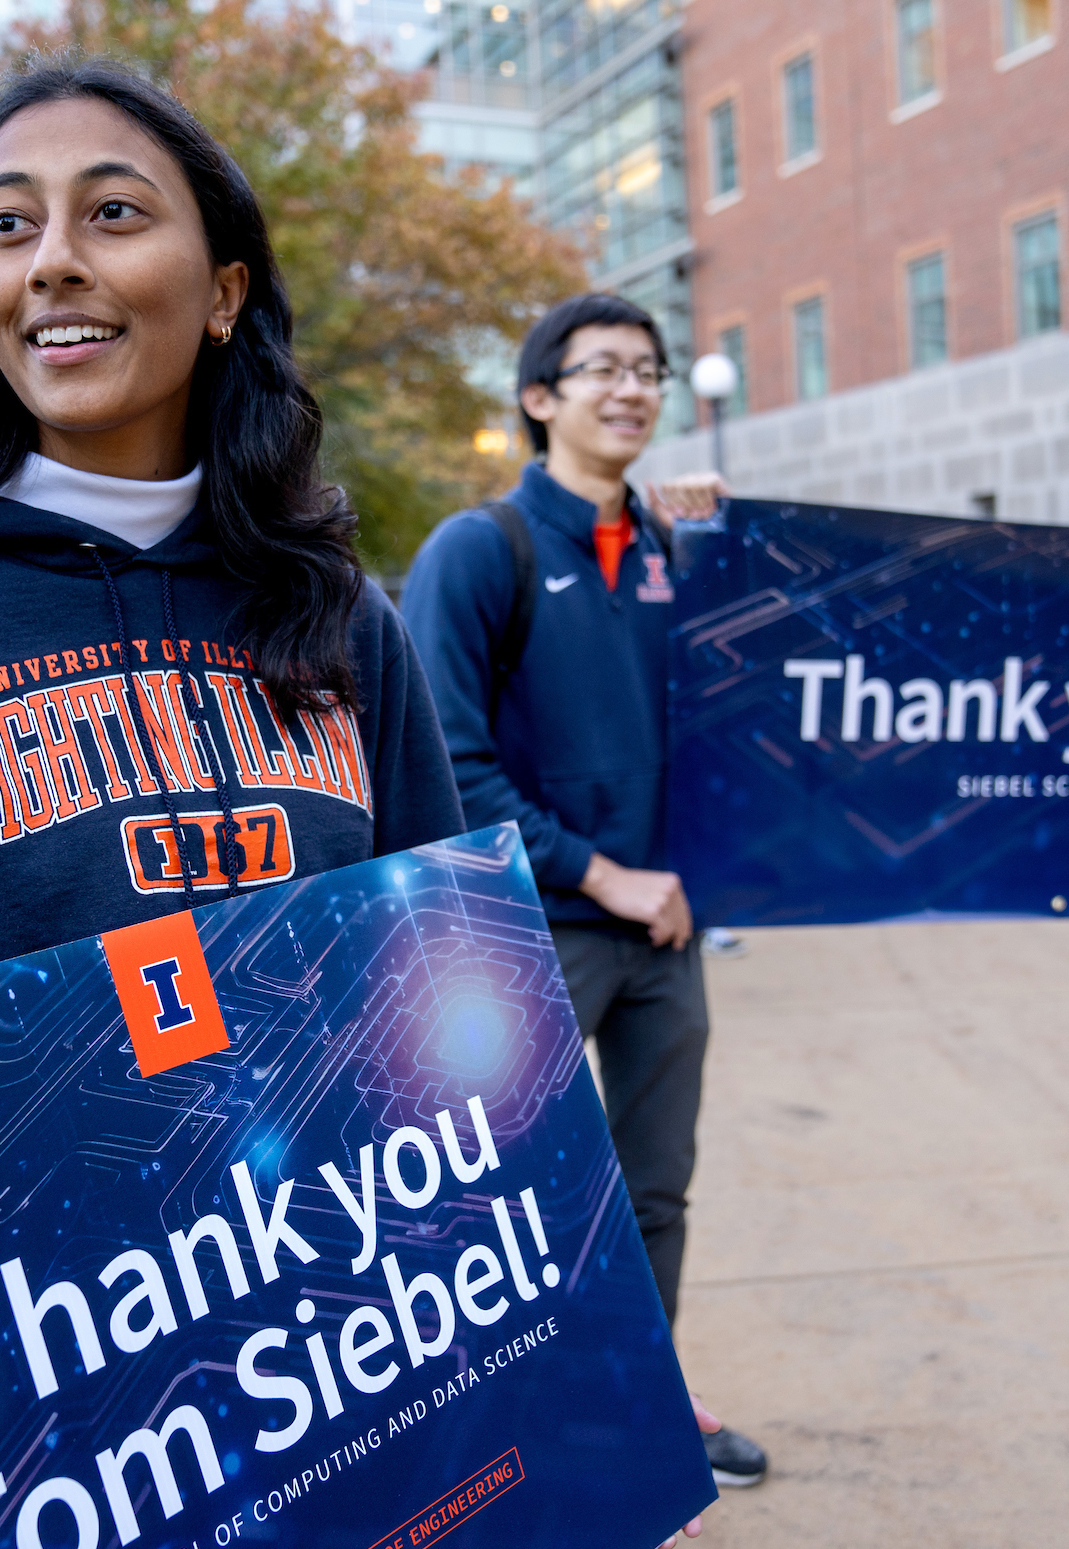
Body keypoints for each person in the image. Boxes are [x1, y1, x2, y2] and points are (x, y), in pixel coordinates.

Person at [0, 58, 696, 1549]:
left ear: (221, 292)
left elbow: (466, 1003)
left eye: (110, 213)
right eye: (7, 229)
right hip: (74, 1436)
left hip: (357, 1358)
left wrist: (555, 1364)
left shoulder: (344, 621)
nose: (50, 257)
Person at [400, 293, 771, 1487]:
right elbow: (441, 765)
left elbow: (746, 715)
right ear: (539, 396)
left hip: (664, 936)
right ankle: (509, 1437)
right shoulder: (481, 552)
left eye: (649, 370)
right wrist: (601, 873)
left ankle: (637, 1405)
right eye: (602, 368)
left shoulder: (671, 551)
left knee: (655, 1189)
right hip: (530, 939)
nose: (632, 389)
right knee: (512, 1209)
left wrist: (721, 539)